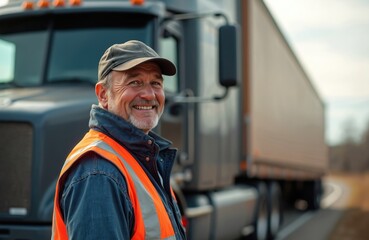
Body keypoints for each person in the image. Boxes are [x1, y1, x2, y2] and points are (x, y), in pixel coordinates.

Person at [52, 40, 186, 240]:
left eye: (156, 83)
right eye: (135, 82)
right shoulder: (98, 173)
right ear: (103, 95)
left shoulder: (144, 159)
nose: (149, 94)